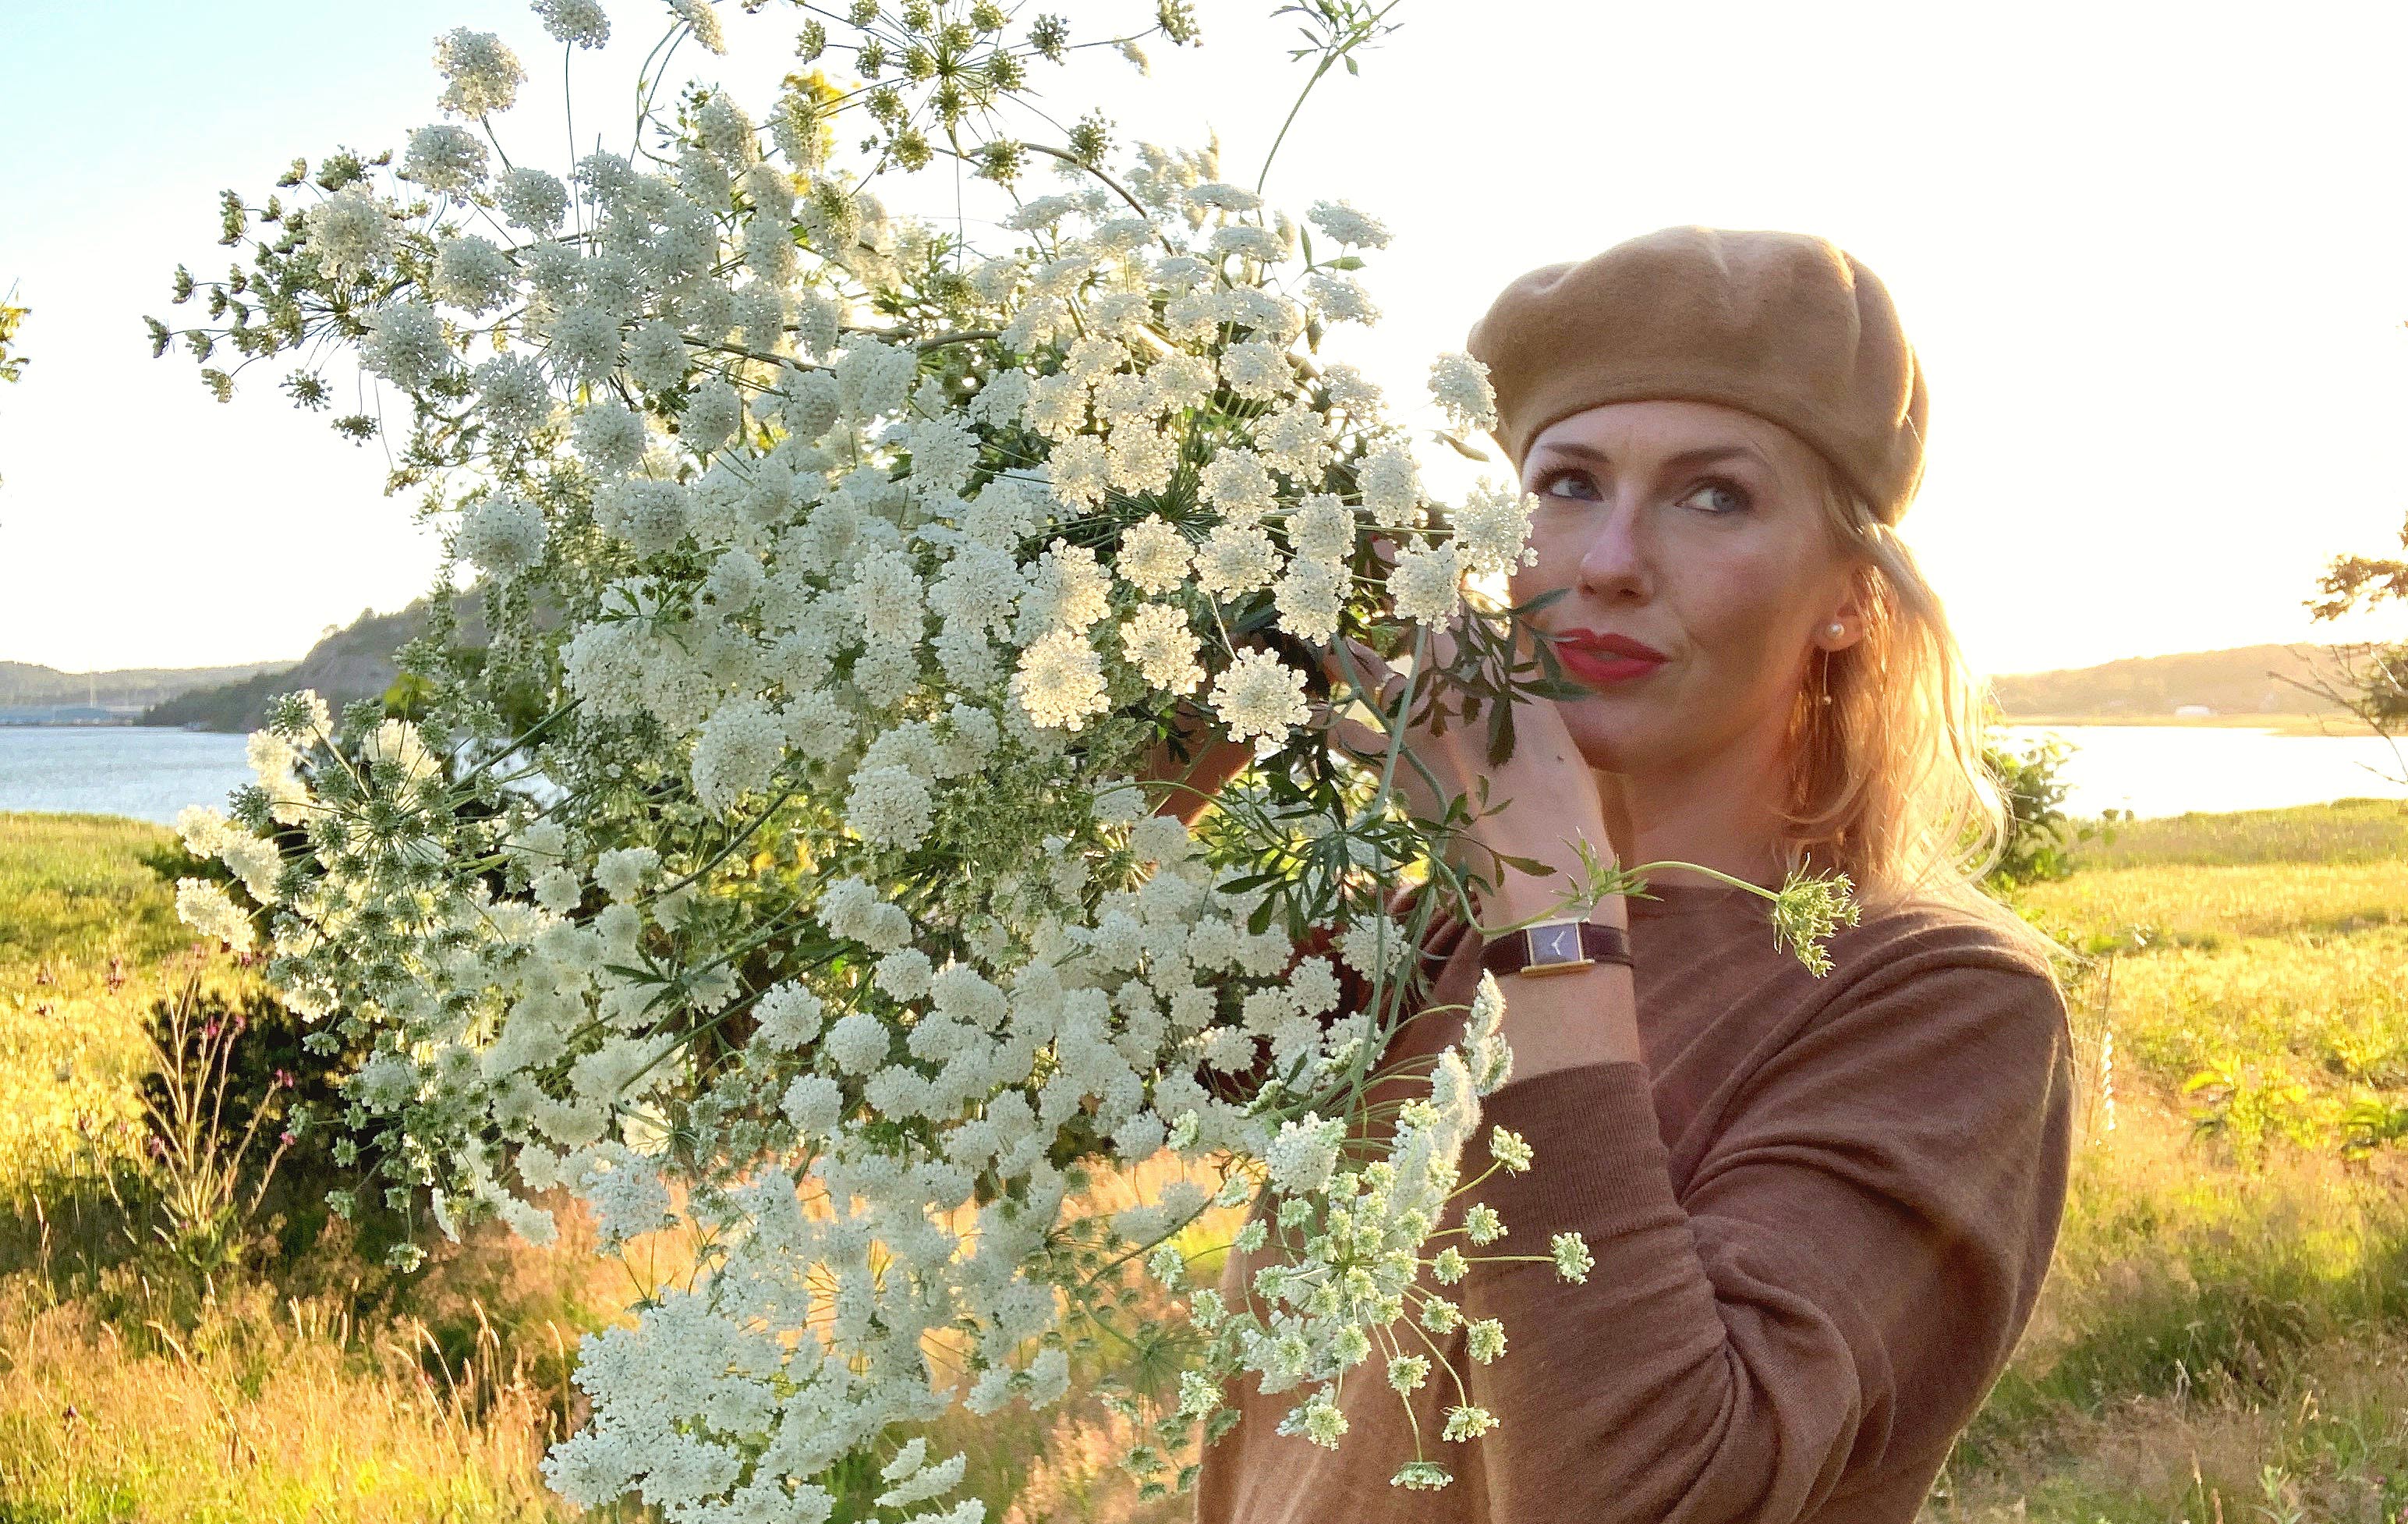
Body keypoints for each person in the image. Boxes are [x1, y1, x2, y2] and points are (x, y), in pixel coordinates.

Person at [1188, 225, 2077, 1523]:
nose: (1609, 559)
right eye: (1565, 483)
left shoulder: (1944, 1006)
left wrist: (1551, 906)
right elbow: (1016, 1043)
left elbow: (1645, 1492)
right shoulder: (1424, 936)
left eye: (1713, 494)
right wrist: (1189, 688)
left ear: (1849, 597)